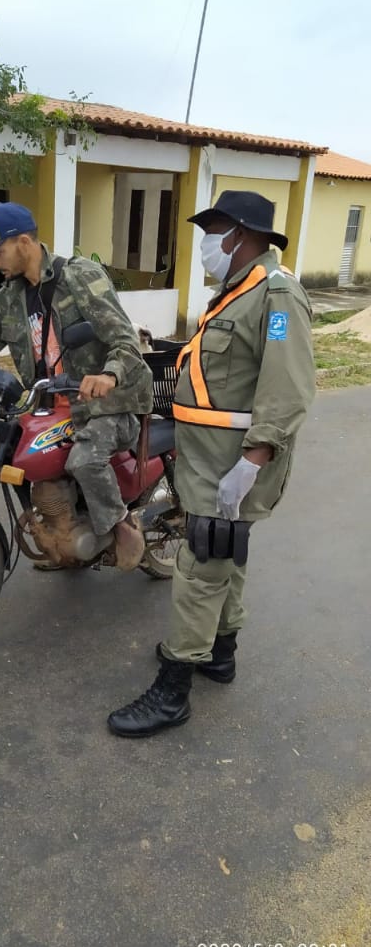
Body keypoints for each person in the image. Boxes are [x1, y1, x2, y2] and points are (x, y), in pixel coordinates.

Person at [108, 190, 317, 738]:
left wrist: (254, 459)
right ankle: (220, 654)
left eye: (214, 230)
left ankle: (175, 687)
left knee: (202, 562)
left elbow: (289, 386)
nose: (205, 242)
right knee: (227, 554)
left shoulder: (277, 295)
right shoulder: (235, 293)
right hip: (205, 455)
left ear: (242, 235)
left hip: (233, 460)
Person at [0, 201, 153, 569]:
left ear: (23, 242)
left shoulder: (80, 276)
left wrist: (108, 375)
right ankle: (59, 534)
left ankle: (121, 526)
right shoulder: (11, 296)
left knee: (84, 459)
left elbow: (124, 340)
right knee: (19, 456)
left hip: (107, 403)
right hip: (48, 405)